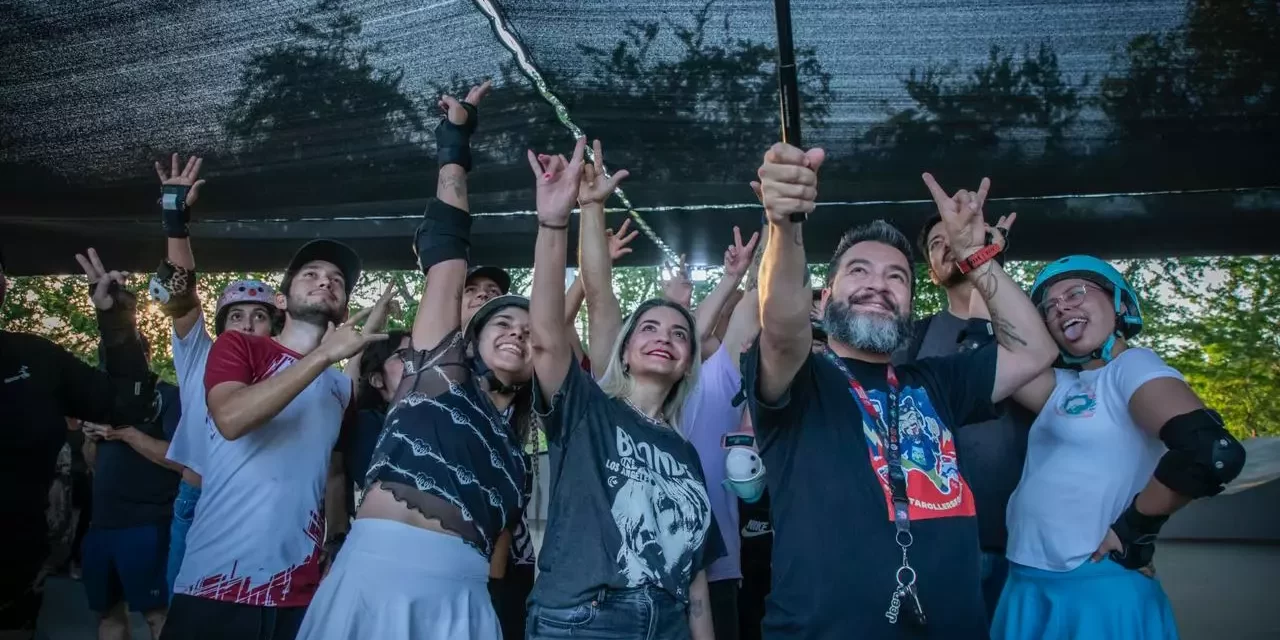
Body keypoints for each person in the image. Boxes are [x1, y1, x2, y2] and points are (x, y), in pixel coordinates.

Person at [745, 145, 1059, 639]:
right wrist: (785, 226)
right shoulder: (800, 377)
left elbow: (1034, 351)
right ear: (824, 301)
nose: (879, 285)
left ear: (911, 305)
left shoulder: (936, 381)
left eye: (897, 277)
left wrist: (979, 259)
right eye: (858, 272)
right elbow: (780, 325)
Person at [295, 81, 528, 640]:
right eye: (502, 321)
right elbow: (449, 249)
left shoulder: (521, 447)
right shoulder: (436, 374)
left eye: (530, 330)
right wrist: (455, 144)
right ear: (469, 339)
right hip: (372, 587)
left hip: (464, 606)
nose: (518, 333)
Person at [526, 136, 721, 640]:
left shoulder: (686, 454)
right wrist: (574, 214)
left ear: (688, 364)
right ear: (625, 351)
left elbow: (695, 574)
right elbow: (576, 312)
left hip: (670, 621)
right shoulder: (589, 408)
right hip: (586, 620)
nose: (666, 339)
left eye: (680, 334)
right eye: (650, 329)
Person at [991, 256, 1246, 639]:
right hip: (1027, 581)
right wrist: (980, 261)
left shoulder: (1133, 366)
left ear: (1120, 304)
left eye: (1075, 293)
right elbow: (1007, 342)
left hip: (1094, 587)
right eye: (1050, 307)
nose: (1062, 307)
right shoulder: (1061, 386)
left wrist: (1134, 532)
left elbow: (1211, 452)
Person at [162, 237, 381, 640]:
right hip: (217, 580)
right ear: (282, 300)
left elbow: (334, 471)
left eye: (337, 280)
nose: (326, 281)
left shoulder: (342, 389)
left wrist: (336, 539)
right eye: (311, 274)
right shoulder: (240, 347)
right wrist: (322, 357)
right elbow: (231, 418)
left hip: (298, 588)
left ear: (344, 307)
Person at [1, 247, 158, 639]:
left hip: (14, 579)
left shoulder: (34, 357)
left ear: (3, 285)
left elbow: (128, 405)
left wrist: (117, 320)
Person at [145, 153, 283, 598]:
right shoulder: (199, 354)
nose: (245, 324)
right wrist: (174, 219)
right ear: (221, 325)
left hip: (260, 510)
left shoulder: (288, 372)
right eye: (235, 315)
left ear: (274, 326)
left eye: (258, 316)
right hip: (198, 501)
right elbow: (178, 294)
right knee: (184, 616)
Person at [893, 208, 1033, 619]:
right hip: (935, 545)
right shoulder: (909, 340)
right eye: (938, 243)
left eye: (962, 236)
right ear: (932, 272)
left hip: (1026, 547)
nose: (951, 246)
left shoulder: (1033, 331)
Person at [79, 336, 183, 640]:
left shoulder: (168, 396)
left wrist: (125, 434)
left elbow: (181, 460)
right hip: (102, 524)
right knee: (108, 614)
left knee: (157, 615)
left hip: (149, 524)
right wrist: (90, 437)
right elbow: (94, 466)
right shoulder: (104, 401)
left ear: (146, 356)